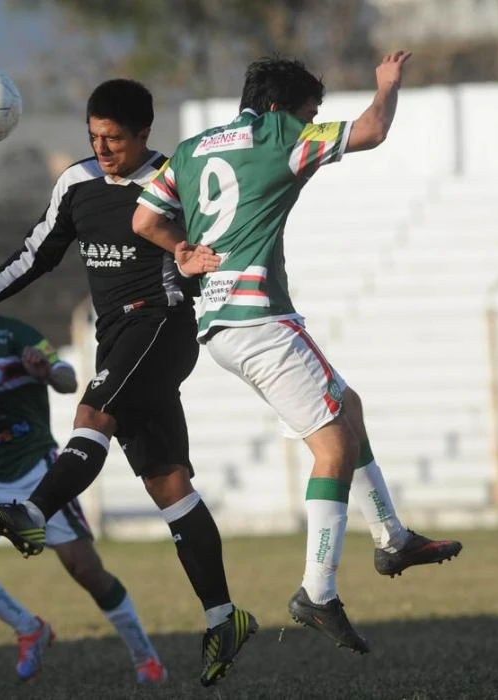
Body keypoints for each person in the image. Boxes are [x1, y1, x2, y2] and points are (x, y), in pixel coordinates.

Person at [132, 52, 463, 654]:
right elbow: (372, 131)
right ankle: (318, 591)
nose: (316, 121)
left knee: (347, 407)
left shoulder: (193, 147)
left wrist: (183, 248)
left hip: (220, 321)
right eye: (312, 111)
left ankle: (392, 536)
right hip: (260, 318)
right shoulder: (281, 131)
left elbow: (143, 218)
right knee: (332, 446)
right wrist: (386, 86)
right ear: (284, 107)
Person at [0, 80, 255, 687]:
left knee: (92, 413)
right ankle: (224, 617)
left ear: (144, 136)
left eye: (114, 139)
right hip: (118, 340)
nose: (102, 149)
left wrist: (194, 277)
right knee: (170, 485)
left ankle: (32, 512)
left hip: (161, 328)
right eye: (93, 136)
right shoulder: (77, 184)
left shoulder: (175, 182)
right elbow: (34, 255)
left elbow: (209, 255)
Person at [0, 244, 168, 684]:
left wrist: (44, 371)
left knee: (85, 570)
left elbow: (68, 379)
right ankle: (29, 628)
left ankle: (145, 657)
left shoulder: (14, 334)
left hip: (37, 472)